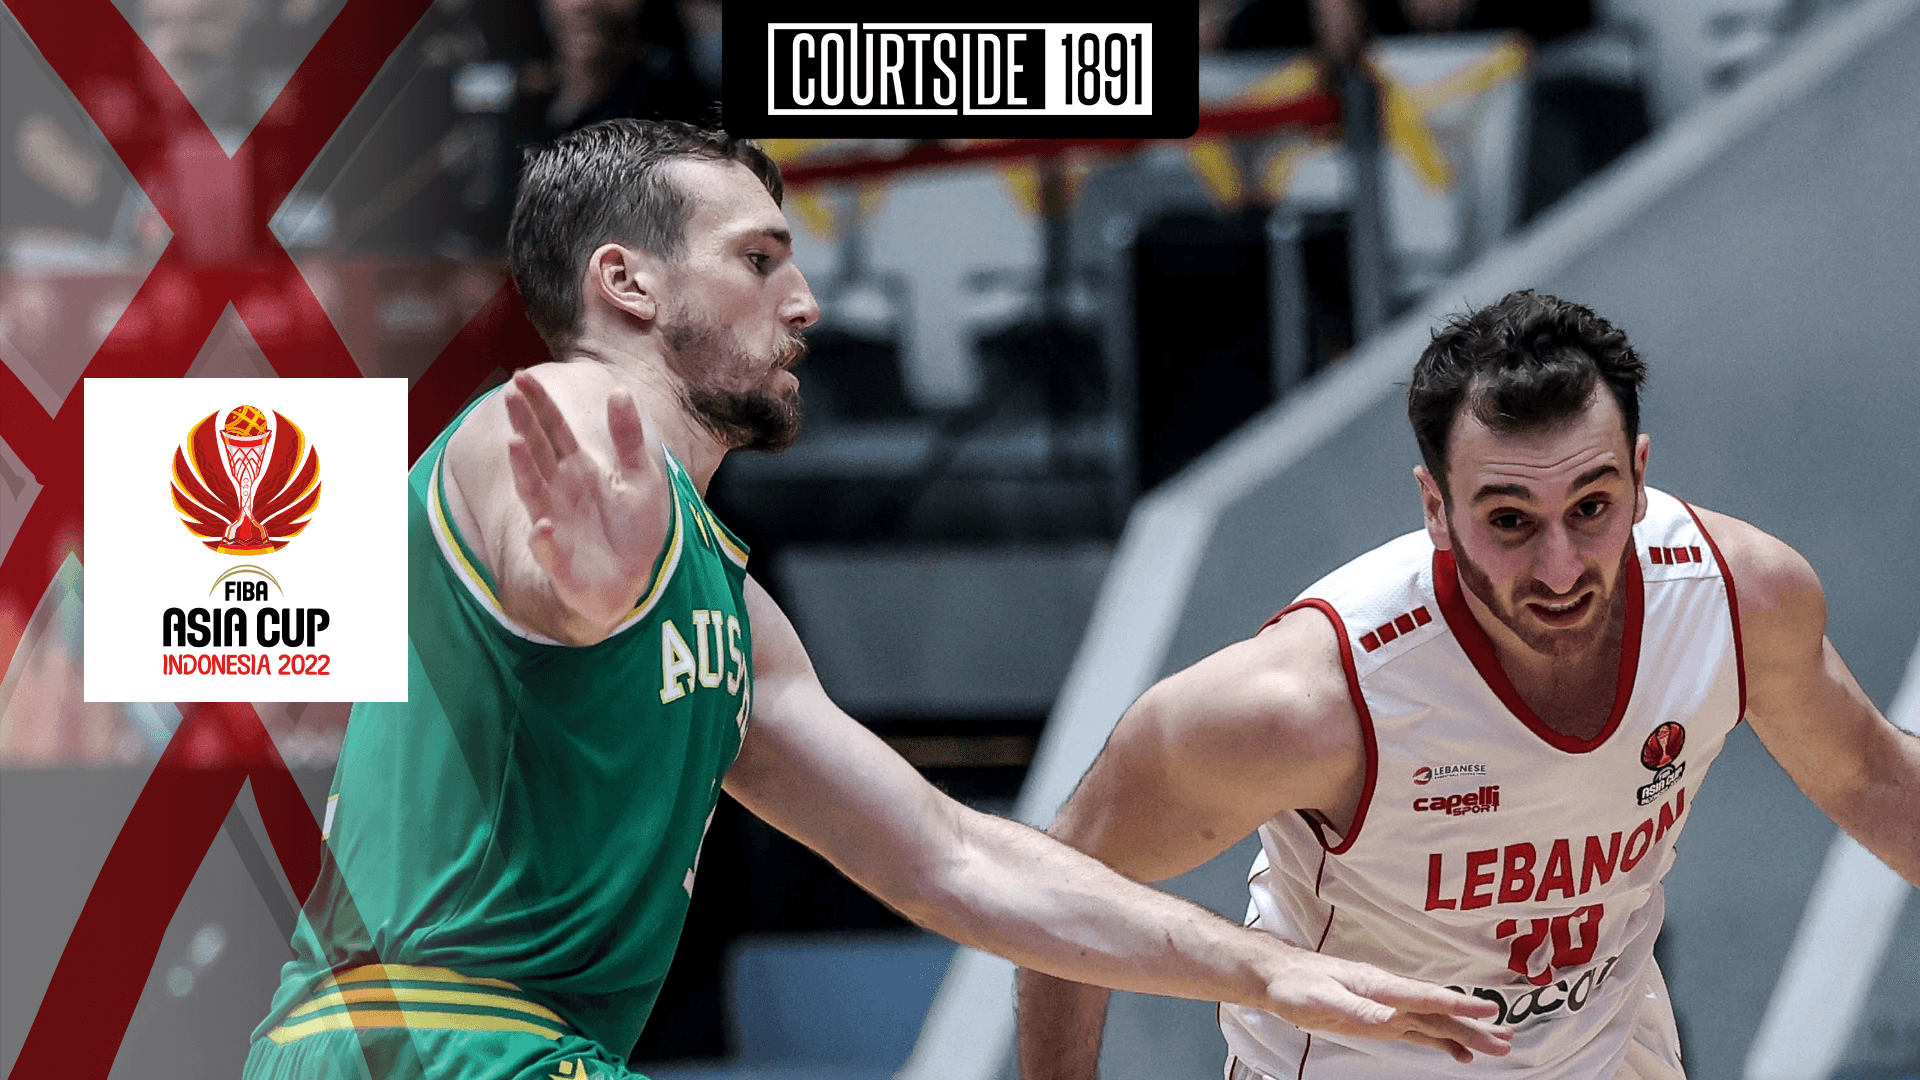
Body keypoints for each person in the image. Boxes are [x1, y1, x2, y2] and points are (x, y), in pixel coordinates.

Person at [238, 119, 1511, 1080]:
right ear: (627, 284)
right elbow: (551, 573)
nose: (804, 303)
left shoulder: (732, 613)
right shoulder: (562, 420)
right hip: (431, 1037)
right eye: (758, 260)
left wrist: (1269, 970)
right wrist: (582, 588)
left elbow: (951, 860)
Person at [1016, 290, 1920, 1080]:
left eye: (1591, 507)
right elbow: (1065, 884)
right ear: (1436, 509)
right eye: (1511, 521)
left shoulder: (1737, 598)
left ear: (1640, 478)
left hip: (1604, 1054)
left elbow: (1871, 778)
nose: (1560, 567)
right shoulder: (1309, 703)